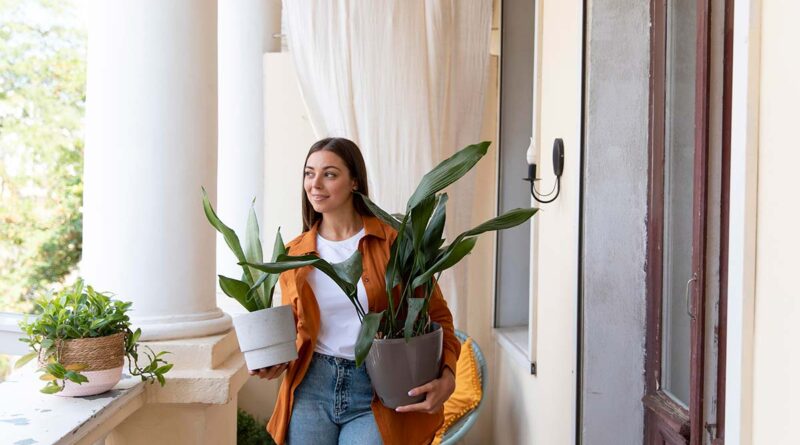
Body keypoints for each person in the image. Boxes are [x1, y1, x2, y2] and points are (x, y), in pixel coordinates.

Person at [250, 137, 461, 445]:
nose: (315, 184)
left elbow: (437, 315)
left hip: (378, 386)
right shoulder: (295, 254)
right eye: (309, 173)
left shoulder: (393, 243)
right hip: (311, 387)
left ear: (354, 183)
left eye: (330, 174)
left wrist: (449, 376)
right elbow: (297, 329)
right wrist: (273, 361)